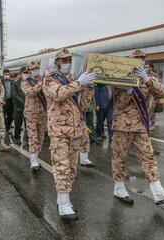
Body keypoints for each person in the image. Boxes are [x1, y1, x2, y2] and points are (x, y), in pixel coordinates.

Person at [111, 50, 164, 205]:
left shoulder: (149, 77)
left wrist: (147, 80)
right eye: (136, 59)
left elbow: (162, 93)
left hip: (141, 125)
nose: (140, 61)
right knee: (120, 157)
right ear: (130, 60)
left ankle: (158, 191)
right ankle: (119, 188)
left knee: (148, 156)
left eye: (142, 59)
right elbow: (119, 105)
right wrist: (128, 91)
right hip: (123, 125)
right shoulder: (121, 76)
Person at [42, 48, 96, 221]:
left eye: (69, 60)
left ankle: (62, 199)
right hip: (59, 132)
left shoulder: (73, 80)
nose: (67, 63)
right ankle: (64, 205)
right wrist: (80, 83)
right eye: (64, 60)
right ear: (57, 62)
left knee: (72, 169)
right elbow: (58, 94)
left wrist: (88, 88)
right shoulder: (50, 79)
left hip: (75, 131)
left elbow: (84, 106)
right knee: (62, 167)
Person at [21, 61, 47, 172]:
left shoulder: (43, 79)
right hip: (31, 114)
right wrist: (41, 83)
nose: (36, 70)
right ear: (29, 71)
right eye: (33, 69)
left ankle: (36, 157)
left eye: (37, 68)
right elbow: (30, 92)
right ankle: (33, 161)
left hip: (43, 113)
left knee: (41, 137)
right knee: (33, 137)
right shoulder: (25, 81)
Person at [145, 63, 162, 131]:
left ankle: (152, 124)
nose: (146, 68)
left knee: (152, 111)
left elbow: (159, 87)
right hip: (145, 95)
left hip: (153, 96)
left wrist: (158, 98)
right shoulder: (144, 75)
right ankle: (145, 123)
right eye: (145, 67)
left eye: (147, 67)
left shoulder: (155, 76)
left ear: (151, 68)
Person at [12, 67, 26, 145]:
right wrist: (23, 102)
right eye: (24, 73)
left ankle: (28, 139)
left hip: (28, 107)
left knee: (28, 125)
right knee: (18, 124)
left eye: (27, 73)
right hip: (19, 107)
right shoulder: (16, 83)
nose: (25, 74)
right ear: (20, 73)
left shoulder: (30, 82)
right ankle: (17, 137)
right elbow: (15, 95)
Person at [2, 69, 14, 134]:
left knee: (10, 115)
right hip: (4, 101)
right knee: (3, 115)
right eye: (5, 74)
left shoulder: (12, 81)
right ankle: (4, 129)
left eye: (8, 74)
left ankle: (8, 127)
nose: (7, 76)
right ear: (3, 74)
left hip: (11, 100)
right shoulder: (1, 82)